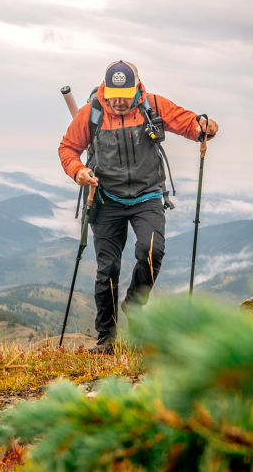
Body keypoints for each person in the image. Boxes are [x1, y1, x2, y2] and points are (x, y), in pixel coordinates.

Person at [58, 60, 218, 353]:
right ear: (105, 90)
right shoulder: (91, 113)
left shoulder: (153, 105)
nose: (119, 102)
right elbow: (68, 148)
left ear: (137, 88)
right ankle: (106, 337)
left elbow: (188, 123)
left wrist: (204, 127)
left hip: (147, 195)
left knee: (152, 251)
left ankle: (134, 304)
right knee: (107, 268)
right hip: (105, 197)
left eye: (126, 94)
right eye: (113, 96)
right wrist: (78, 171)